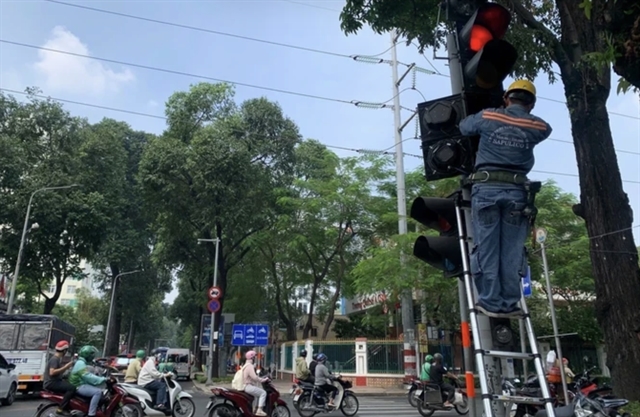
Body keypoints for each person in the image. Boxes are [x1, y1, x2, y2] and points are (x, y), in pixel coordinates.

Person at [459, 79, 552, 317]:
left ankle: (490, 301)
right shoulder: (538, 126)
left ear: (506, 98)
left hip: (487, 189)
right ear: (531, 103)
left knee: (487, 248)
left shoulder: (490, 116)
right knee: (511, 250)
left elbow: (464, 126)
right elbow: (546, 129)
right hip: (518, 193)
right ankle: (510, 302)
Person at [68, 346, 107, 417]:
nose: (92, 356)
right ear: (87, 355)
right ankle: (91, 414)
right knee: (98, 392)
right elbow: (87, 376)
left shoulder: (81, 362)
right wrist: (102, 379)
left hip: (80, 384)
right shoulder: (81, 363)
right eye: (91, 354)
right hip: (78, 386)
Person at [43, 341, 77, 416]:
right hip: (51, 383)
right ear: (64, 350)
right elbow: (52, 372)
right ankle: (61, 408)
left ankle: (67, 407)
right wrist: (66, 367)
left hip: (54, 381)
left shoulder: (57, 359)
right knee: (71, 388)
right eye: (66, 350)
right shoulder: (55, 359)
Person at [242, 350, 268, 416]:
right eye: (254, 357)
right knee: (263, 393)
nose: (255, 359)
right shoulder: (249, 366)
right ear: (252, 358)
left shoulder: (246, 365)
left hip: (246, 386)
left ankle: (255, 409)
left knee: (257, 395)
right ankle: (259, 410)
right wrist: (262, 380)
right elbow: (254, 377)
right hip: (248, 386)